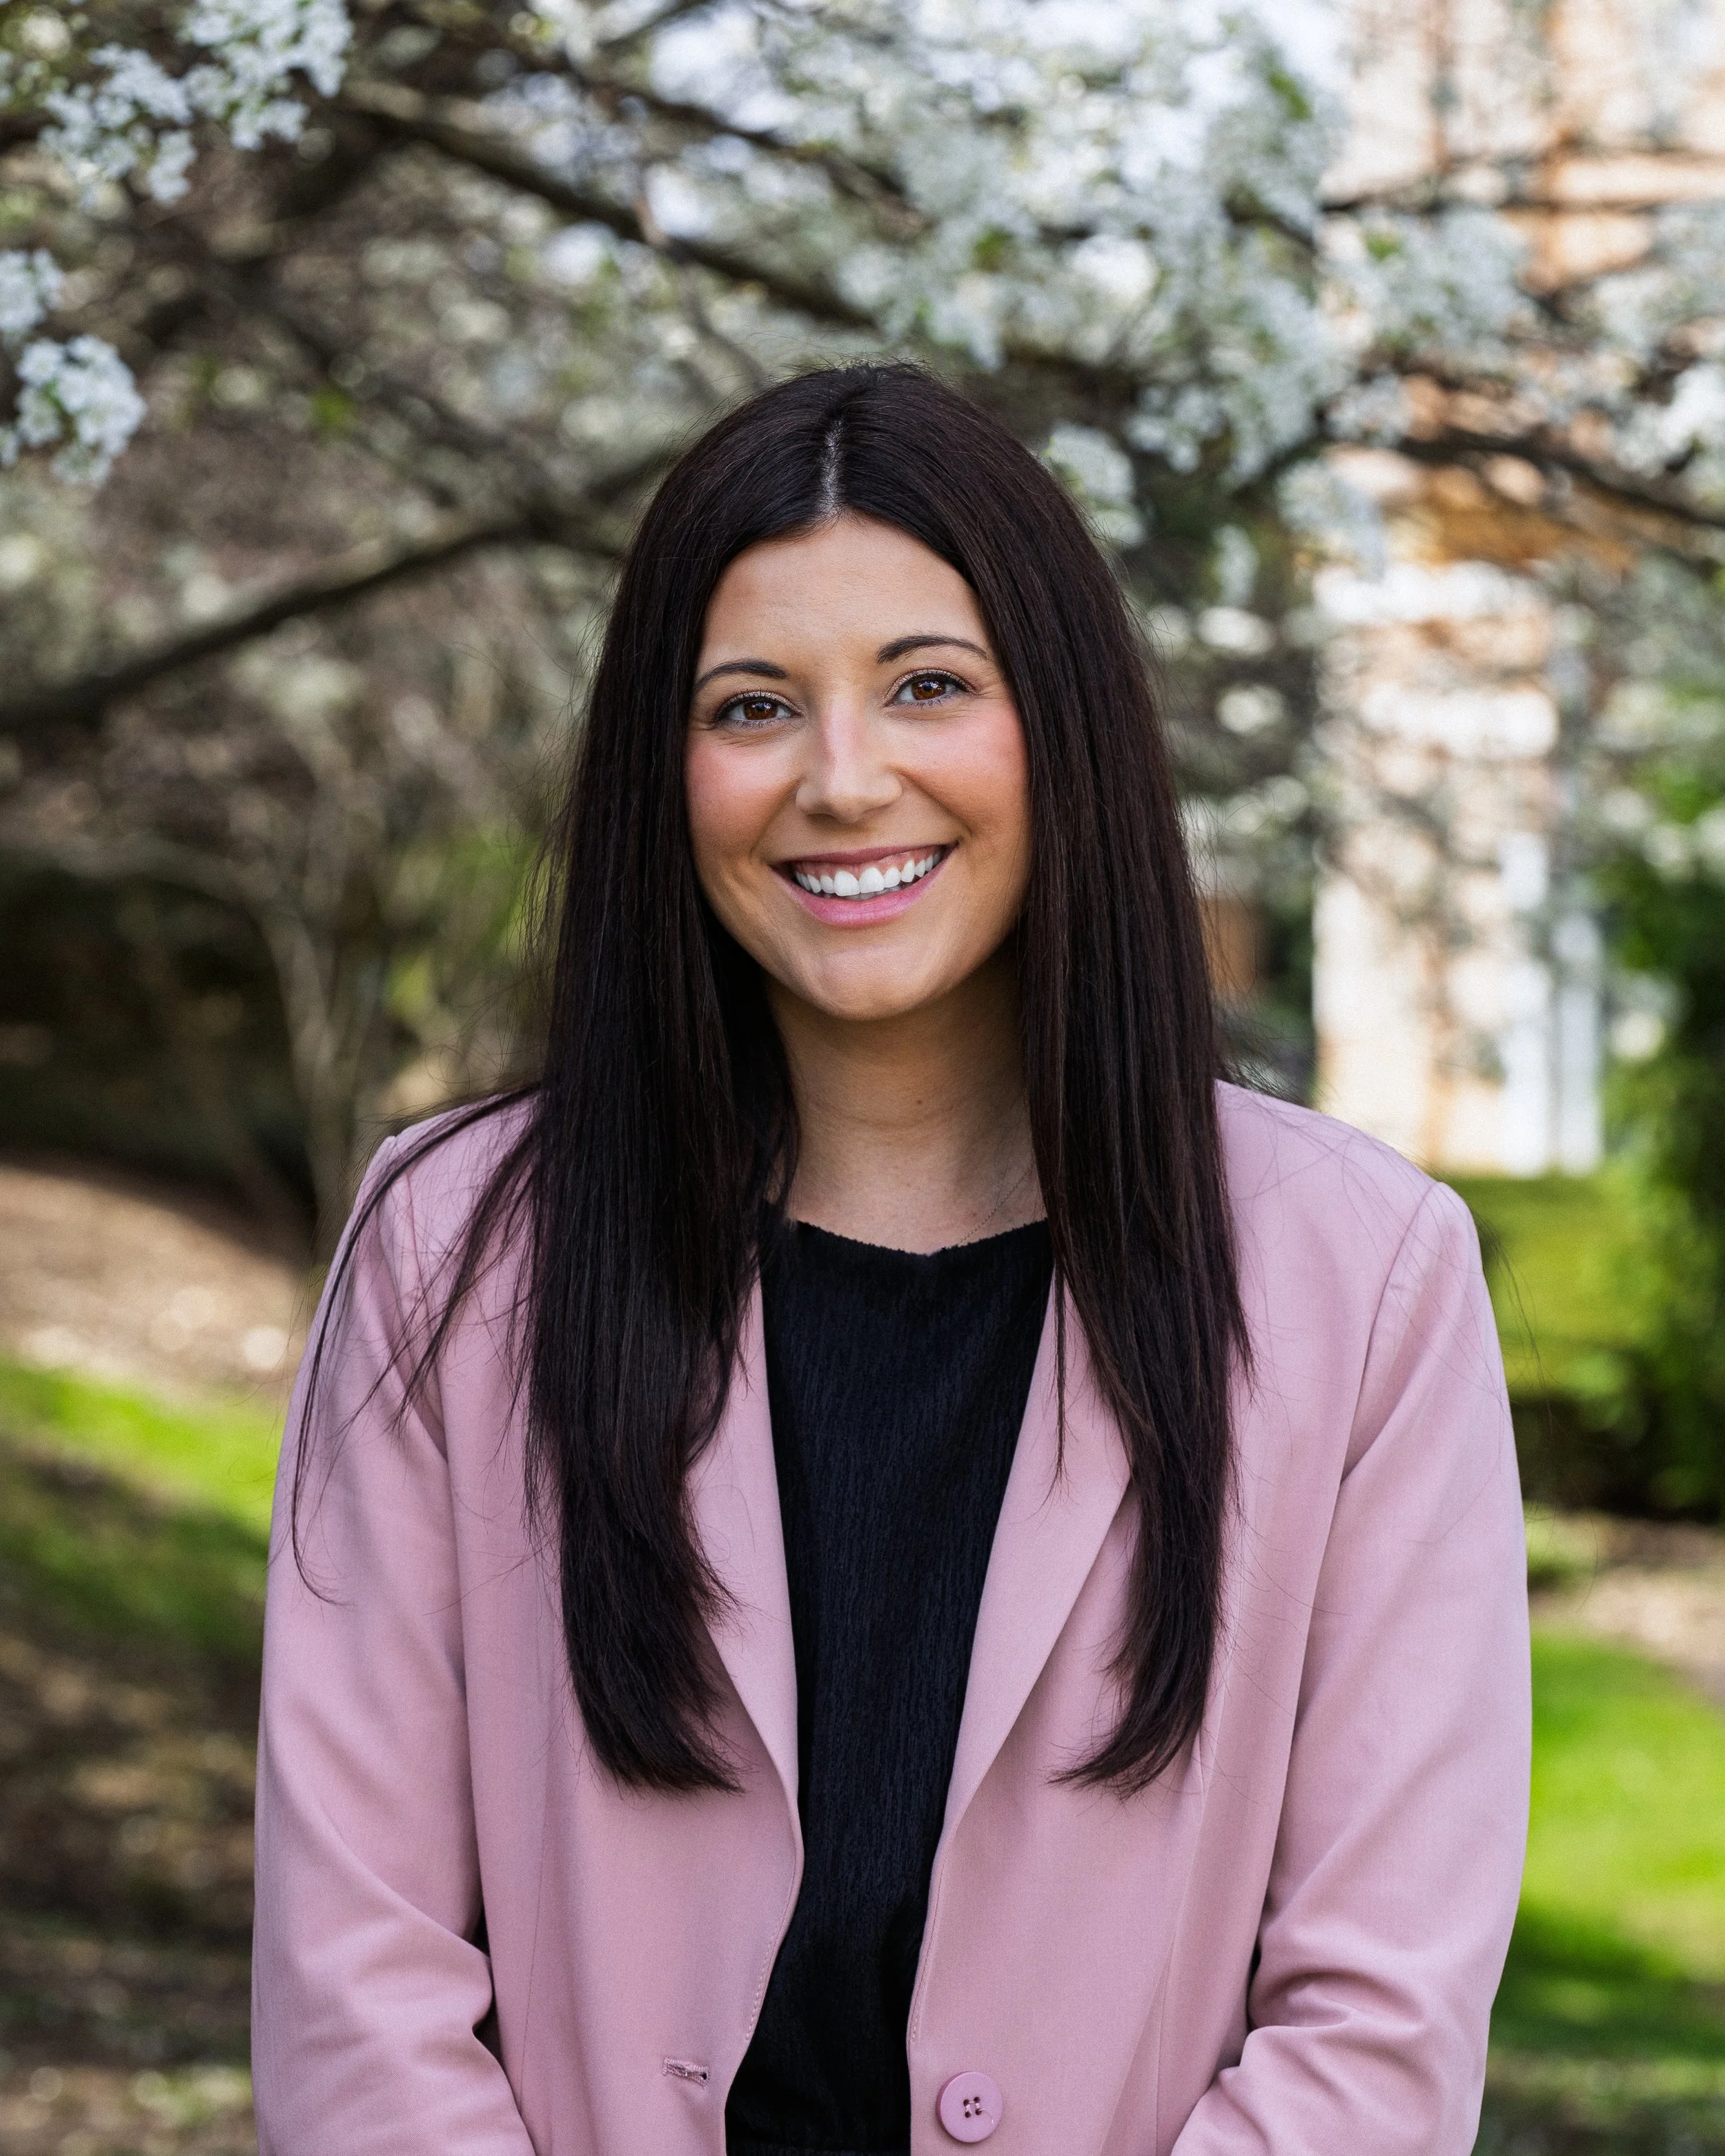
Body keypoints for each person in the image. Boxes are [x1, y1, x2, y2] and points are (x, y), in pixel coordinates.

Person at [251, 364, 1530, 2156]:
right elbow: (352, 1985)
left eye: (927, 684)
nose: (842, 780)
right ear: (662, 766)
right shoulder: (458, 1253)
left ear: (1061, 723)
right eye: (753, 704)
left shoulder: (1362, 1277)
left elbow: (1379, 2021)